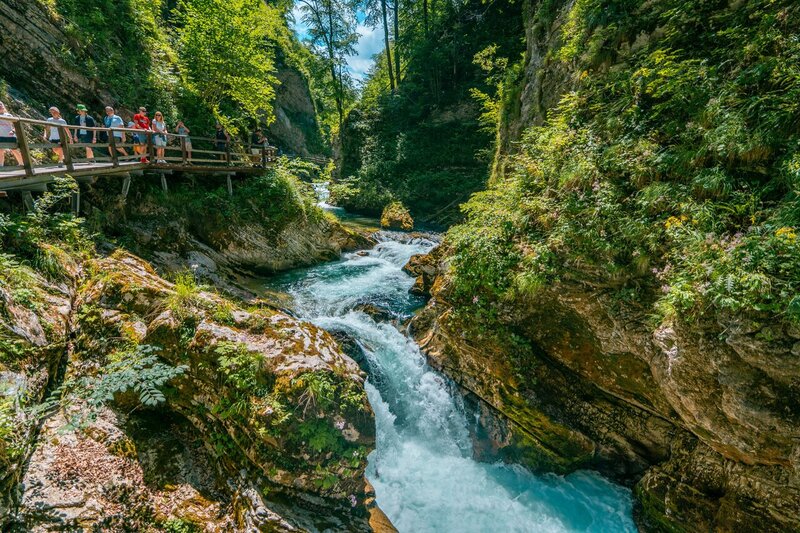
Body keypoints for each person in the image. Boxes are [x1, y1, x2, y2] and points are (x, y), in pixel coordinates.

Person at [0, 101, 23, 168]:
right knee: (0, 151)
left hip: (10, 136)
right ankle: (1, 166)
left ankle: (22, 164)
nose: (0, 106)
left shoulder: (8, 115)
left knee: (15, 150)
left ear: (3, 106)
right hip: (1, 136)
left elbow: (15, 126)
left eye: (1, 104)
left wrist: (13, 131)